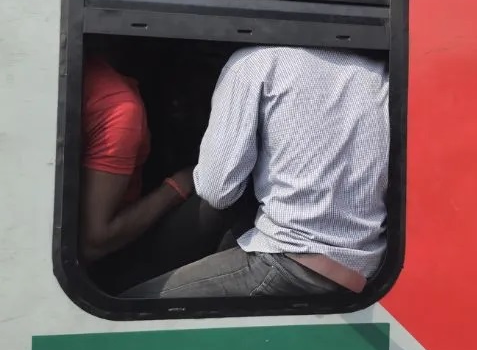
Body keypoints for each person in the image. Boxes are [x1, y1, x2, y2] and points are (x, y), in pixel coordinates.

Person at [122, 46, 389, 299]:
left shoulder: (255, 62)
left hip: (289, 262)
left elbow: (218, 192)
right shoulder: (380, 74)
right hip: (367, 267)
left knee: (126, 307)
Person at [80, 47, 250, 294]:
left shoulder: (82, 73)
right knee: (222, 193)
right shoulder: (118, 106)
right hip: (103, 264)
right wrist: (177, 186)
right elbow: (94, 241)